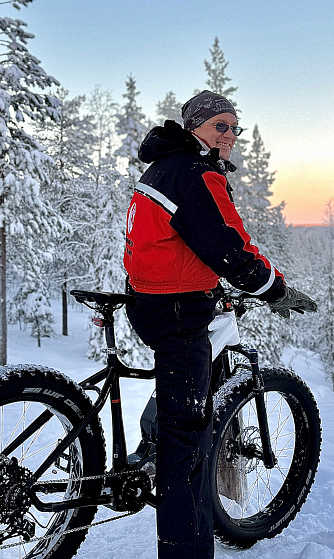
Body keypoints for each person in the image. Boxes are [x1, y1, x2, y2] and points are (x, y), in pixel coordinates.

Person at [123, 90, 316, 558]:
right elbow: (227, 244)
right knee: (186, 446)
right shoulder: (196, 173)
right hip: (176, 313)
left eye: (235, 127)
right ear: (195, 129)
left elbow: (182, 241)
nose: (230, 135)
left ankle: (151, 446)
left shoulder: (165, 166)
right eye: (220, 126)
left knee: (180, 406)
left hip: (153, 301)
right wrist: (273, 288)